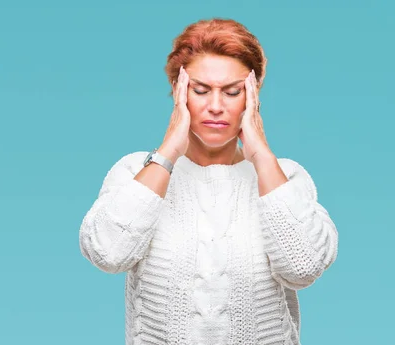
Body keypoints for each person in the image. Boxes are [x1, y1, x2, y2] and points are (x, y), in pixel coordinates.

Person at [78, 18, 339, 345]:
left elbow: (304, 267)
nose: (216, 106)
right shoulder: (137, 171)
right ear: (178, 90)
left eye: (232, 92)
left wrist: (260, 154)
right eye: (200, 90)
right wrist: (170, 147)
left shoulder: (284, 177)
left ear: (253, 95)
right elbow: (107, 254)